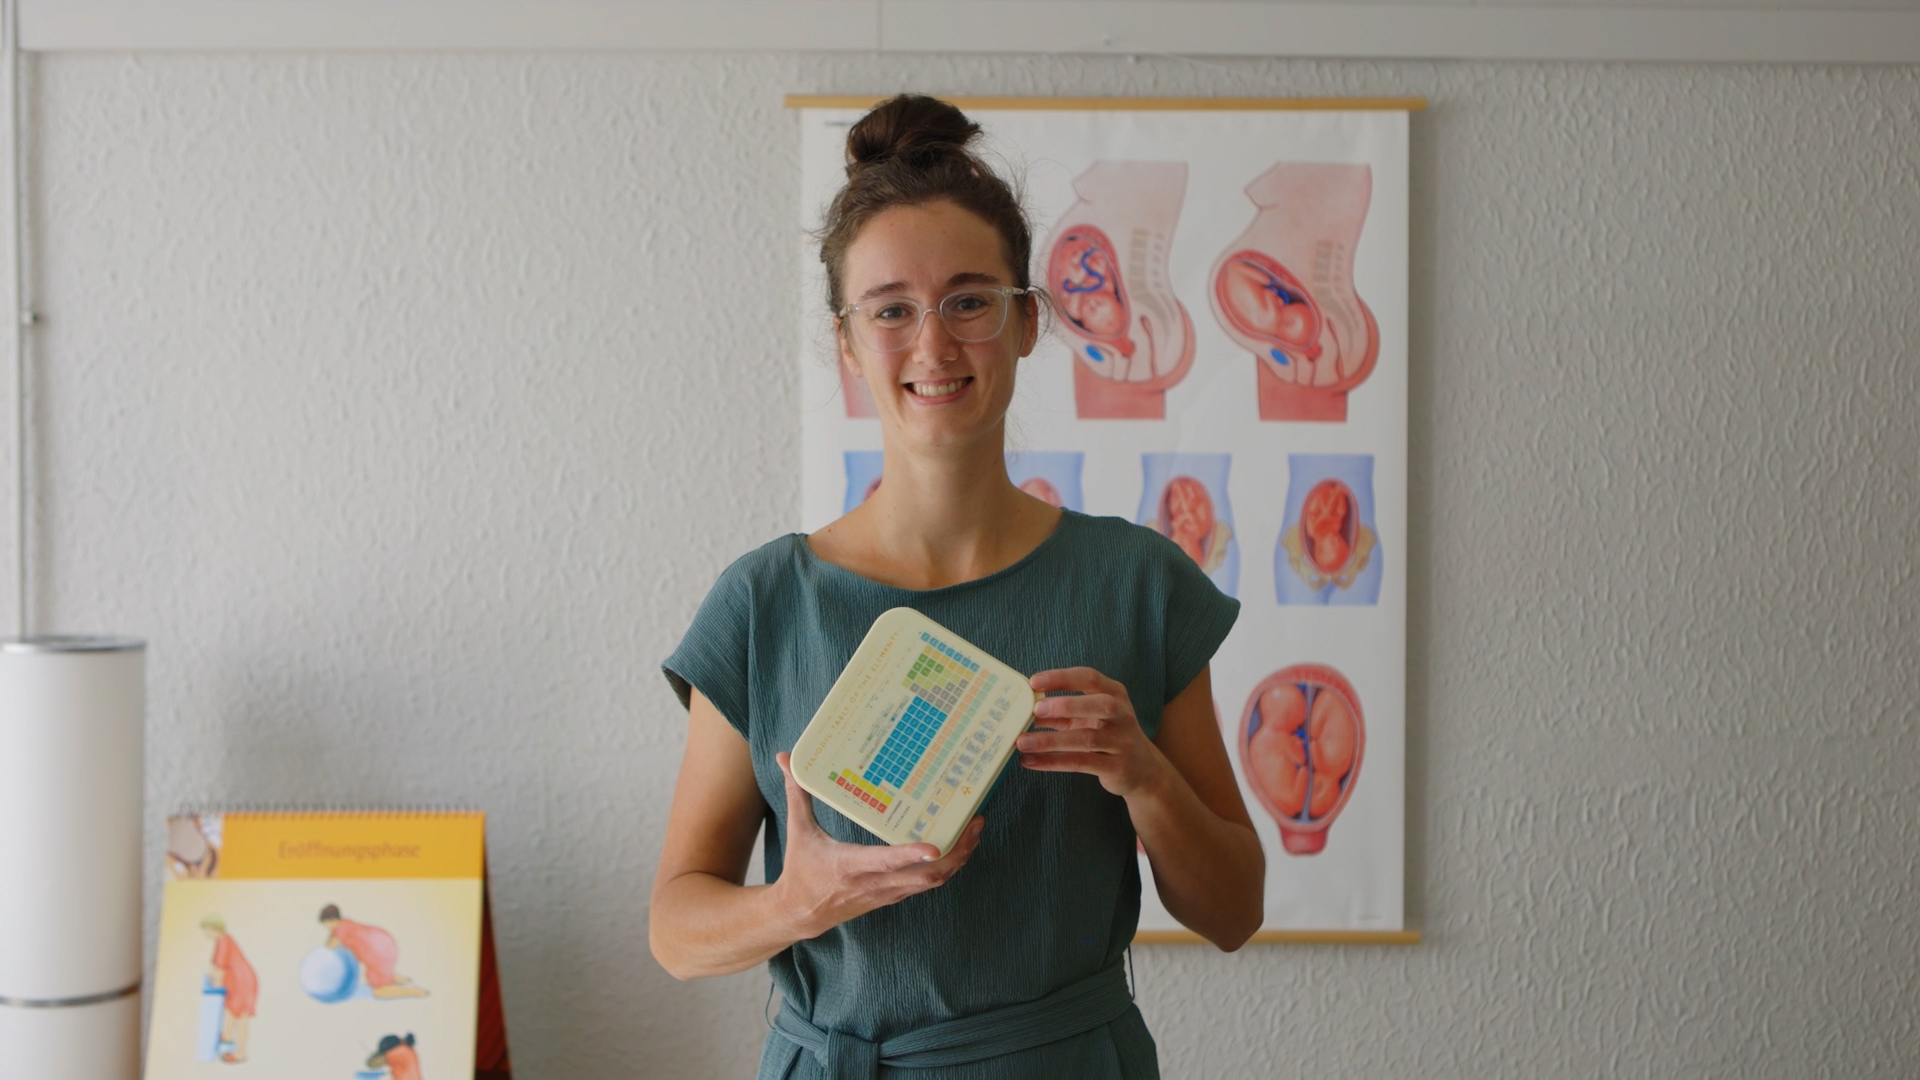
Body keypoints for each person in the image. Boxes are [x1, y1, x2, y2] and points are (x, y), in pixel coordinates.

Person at [650, 94, 1264, 1080]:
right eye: (890, 310)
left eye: (970, 300)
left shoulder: (1135, 584)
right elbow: (677, 930)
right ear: (847, 344)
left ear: (1027, 323)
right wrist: (794, 905)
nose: (933, 346)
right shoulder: (764, 604)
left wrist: (1144, 774)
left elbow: (1234, 913)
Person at [319, 904, 430, 999]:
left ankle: (413, 991)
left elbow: (329, 947)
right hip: (383, 943)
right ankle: (393, 977)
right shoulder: (344, 923)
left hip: (379, 952)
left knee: (378, 992)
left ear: (333, 919)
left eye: (326, 923)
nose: (326, 927)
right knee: (370, 980)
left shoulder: (341, 930)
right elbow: (331, 940)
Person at [199, 915, 255, 1064]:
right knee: (230, 1011)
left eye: (207, 930)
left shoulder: (224, 940)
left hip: (242, 982)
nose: (206, 934)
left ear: (214, 929)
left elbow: (220, 967)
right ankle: (227, 1037)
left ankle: (240, 1053)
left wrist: (215, 983)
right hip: (235, 981)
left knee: (241, 1016)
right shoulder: (223, 940)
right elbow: (217, 966)